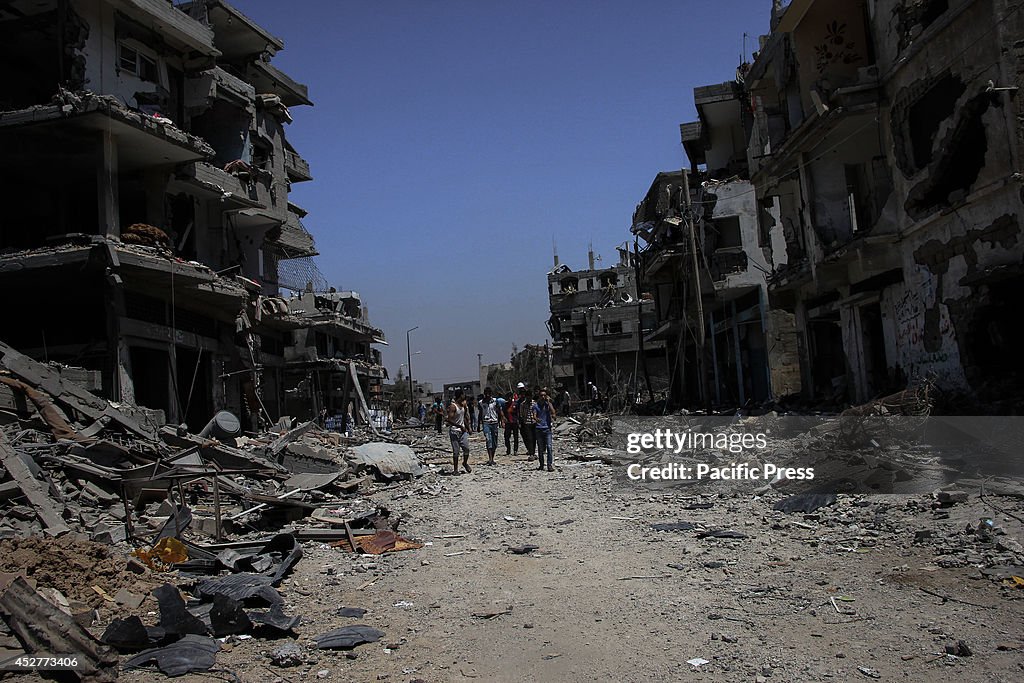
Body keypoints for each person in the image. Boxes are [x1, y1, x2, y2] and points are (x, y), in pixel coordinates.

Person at [447, 390, 472, 475]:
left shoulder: (463, 406)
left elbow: (464, 417)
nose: (464, 396)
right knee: (456, 451)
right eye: (463, 395)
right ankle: (455, 469)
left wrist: (468, 428)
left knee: (466, 449)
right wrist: (459, 426)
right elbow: (449, 420)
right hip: (454, 431)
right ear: (460, 396)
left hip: (462, 431)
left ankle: (465, 463)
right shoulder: (453, 407)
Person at [533, 387, 557, 472]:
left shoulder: (547, 405)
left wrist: (549, 402)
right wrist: (536, 419)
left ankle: (549, 464)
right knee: (540, 448)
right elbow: (534, 415)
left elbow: (553, 412)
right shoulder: (536, 405)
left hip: (547, 429)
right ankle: (541, 464)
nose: (543, 397)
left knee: (549, 447)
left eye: (544, 395)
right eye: (541, 395)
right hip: (539, 429)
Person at [479, 387, 504, 465]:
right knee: (488, 439)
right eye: (486, 394)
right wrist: (478, 425)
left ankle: (492, 457)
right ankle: (490, 459)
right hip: (486, 423)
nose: (487, 395)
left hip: (494, 422)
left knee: (494, 441)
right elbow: (480, 413)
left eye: (489, 394)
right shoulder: (481, 402)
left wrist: (502, 420)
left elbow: (500, 411)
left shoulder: (495, 401)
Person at [516, 384, 537, 461]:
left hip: (534, 423)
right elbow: (521, 414)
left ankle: (533, 452)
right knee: (529, 438)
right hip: (527, 423)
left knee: (534, 438)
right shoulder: (522, 404)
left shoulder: (534, 403)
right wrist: (521, 422)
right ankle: (531, 453)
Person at [503, 391, 519, 455]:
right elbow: (503, 413)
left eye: (510, 397)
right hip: (508, 422)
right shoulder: (505, 405)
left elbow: (518, 413)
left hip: (514, 422)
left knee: (516, 437)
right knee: (506, 437)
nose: (509, 398)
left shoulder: (515, 404)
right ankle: (508, 449)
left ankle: (515, 450)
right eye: (508, 397)